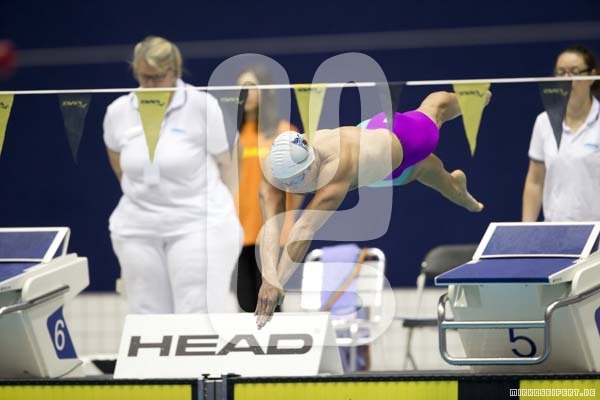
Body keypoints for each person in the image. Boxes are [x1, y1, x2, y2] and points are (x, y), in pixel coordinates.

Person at [256, 90, 487, 328]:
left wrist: (276, 282)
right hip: (373, 161)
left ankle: (472, 98)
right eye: (288, 183)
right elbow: (270, 226)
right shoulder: (272, 168)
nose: (294, 187)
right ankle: (458, 188)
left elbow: (304, 228)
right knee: (429, 171)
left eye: (299, 178)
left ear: (311, 159)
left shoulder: (336, 167)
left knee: (435, 109)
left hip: (402, 143)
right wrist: (270, 279)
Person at [103, 36, 242, 314]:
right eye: (144, 77)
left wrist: (227, 207)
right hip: (138, 227)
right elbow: (119, 166)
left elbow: (230, 162)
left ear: (174, 71)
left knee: (196, 313)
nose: (151, 84)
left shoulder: (202, 106)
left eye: (158, 77)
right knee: (145, 314)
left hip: (198, 222)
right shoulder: (119, 111)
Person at [234, 64, 304, 312]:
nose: (245, 94)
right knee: (245, 304)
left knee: (270, 305)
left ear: (267, 91)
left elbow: (298, 187)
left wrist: (287, 219)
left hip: (272, 230)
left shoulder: (285, 133)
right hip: (239, 231)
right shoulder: (234, 136)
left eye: (251, 88)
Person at [522, 45, 600, 222]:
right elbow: (535, 181)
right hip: (555, 230)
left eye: (575, 72)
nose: (567, 79)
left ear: (592, 76)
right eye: (561, 72)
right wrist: (526, 229)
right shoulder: (544, 122)